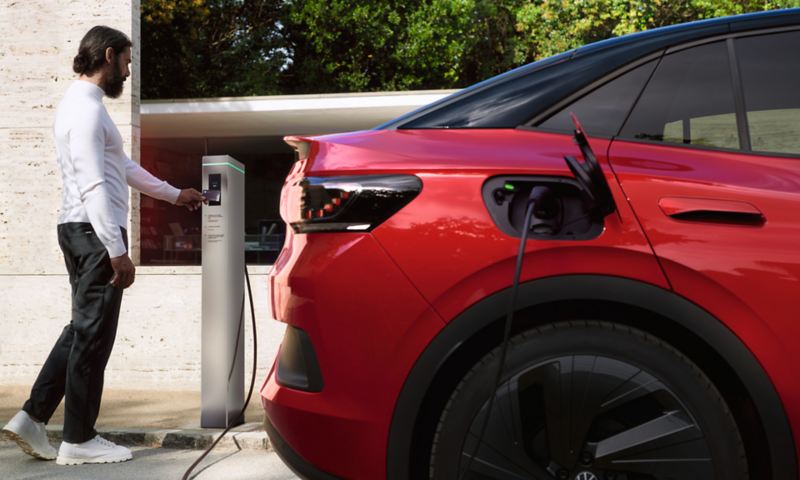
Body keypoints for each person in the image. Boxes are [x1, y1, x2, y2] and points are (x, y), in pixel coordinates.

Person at [1, 26, 205, 465]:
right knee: (94, 338)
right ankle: (79, 439)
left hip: (83, 230)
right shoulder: (86, 111)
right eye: (127, 61)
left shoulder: (86, 107)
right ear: (108, 55)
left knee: (81, 329)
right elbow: (94, 183)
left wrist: (174, 193)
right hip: (95, 234)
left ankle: (32, 418)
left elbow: (121, 166)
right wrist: (116, 249)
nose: (129, 71)